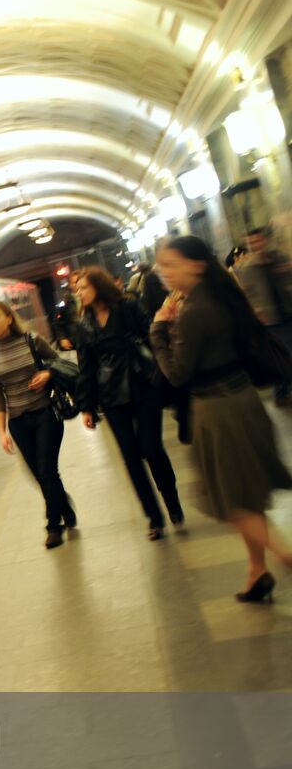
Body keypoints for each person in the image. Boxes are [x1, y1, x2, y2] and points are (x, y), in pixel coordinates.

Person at [150, 236, 292, 602]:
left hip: (218, 411)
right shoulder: (221, 296)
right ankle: (257, 573)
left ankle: (285, 555)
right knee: (245, 494)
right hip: (242, 400)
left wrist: (159, 332)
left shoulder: (197, 309)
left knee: (228, 501)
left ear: (196, 264)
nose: (163, 273)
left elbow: (177, 374)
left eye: (170, 264)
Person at [73, 268, 183, 539]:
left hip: (143, 386)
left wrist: (161, 371)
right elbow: (85, 367)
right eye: (77, 289)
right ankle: (153, 518)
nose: (78, 293)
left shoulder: (128, 307)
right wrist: (86, 407)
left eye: (83, 288)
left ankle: (171, 500)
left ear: (98, 286)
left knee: (152, 449)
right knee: (131, 458)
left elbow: (151, 338)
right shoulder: (84, 324)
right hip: (111, 396)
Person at [0, 301, 77, 548]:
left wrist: (48, 374)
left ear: (8, 318)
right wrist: (2, 431)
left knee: (47, 470)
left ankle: (53, 525)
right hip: (18, 421)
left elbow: (58, 363)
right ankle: (64, 506)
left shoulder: (31, 341)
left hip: (46, 412)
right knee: (39, 474)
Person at [234, 227, 292, 406]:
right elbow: (246, 293)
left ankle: (282, 390)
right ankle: (281, 392)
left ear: (264, 240)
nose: (254, 245)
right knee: (283, 354)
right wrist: (256, 309)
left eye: (257, 241)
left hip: (287, 311)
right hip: (270, 318)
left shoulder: (277, 258)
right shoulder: (248, 267)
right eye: (251, 243)